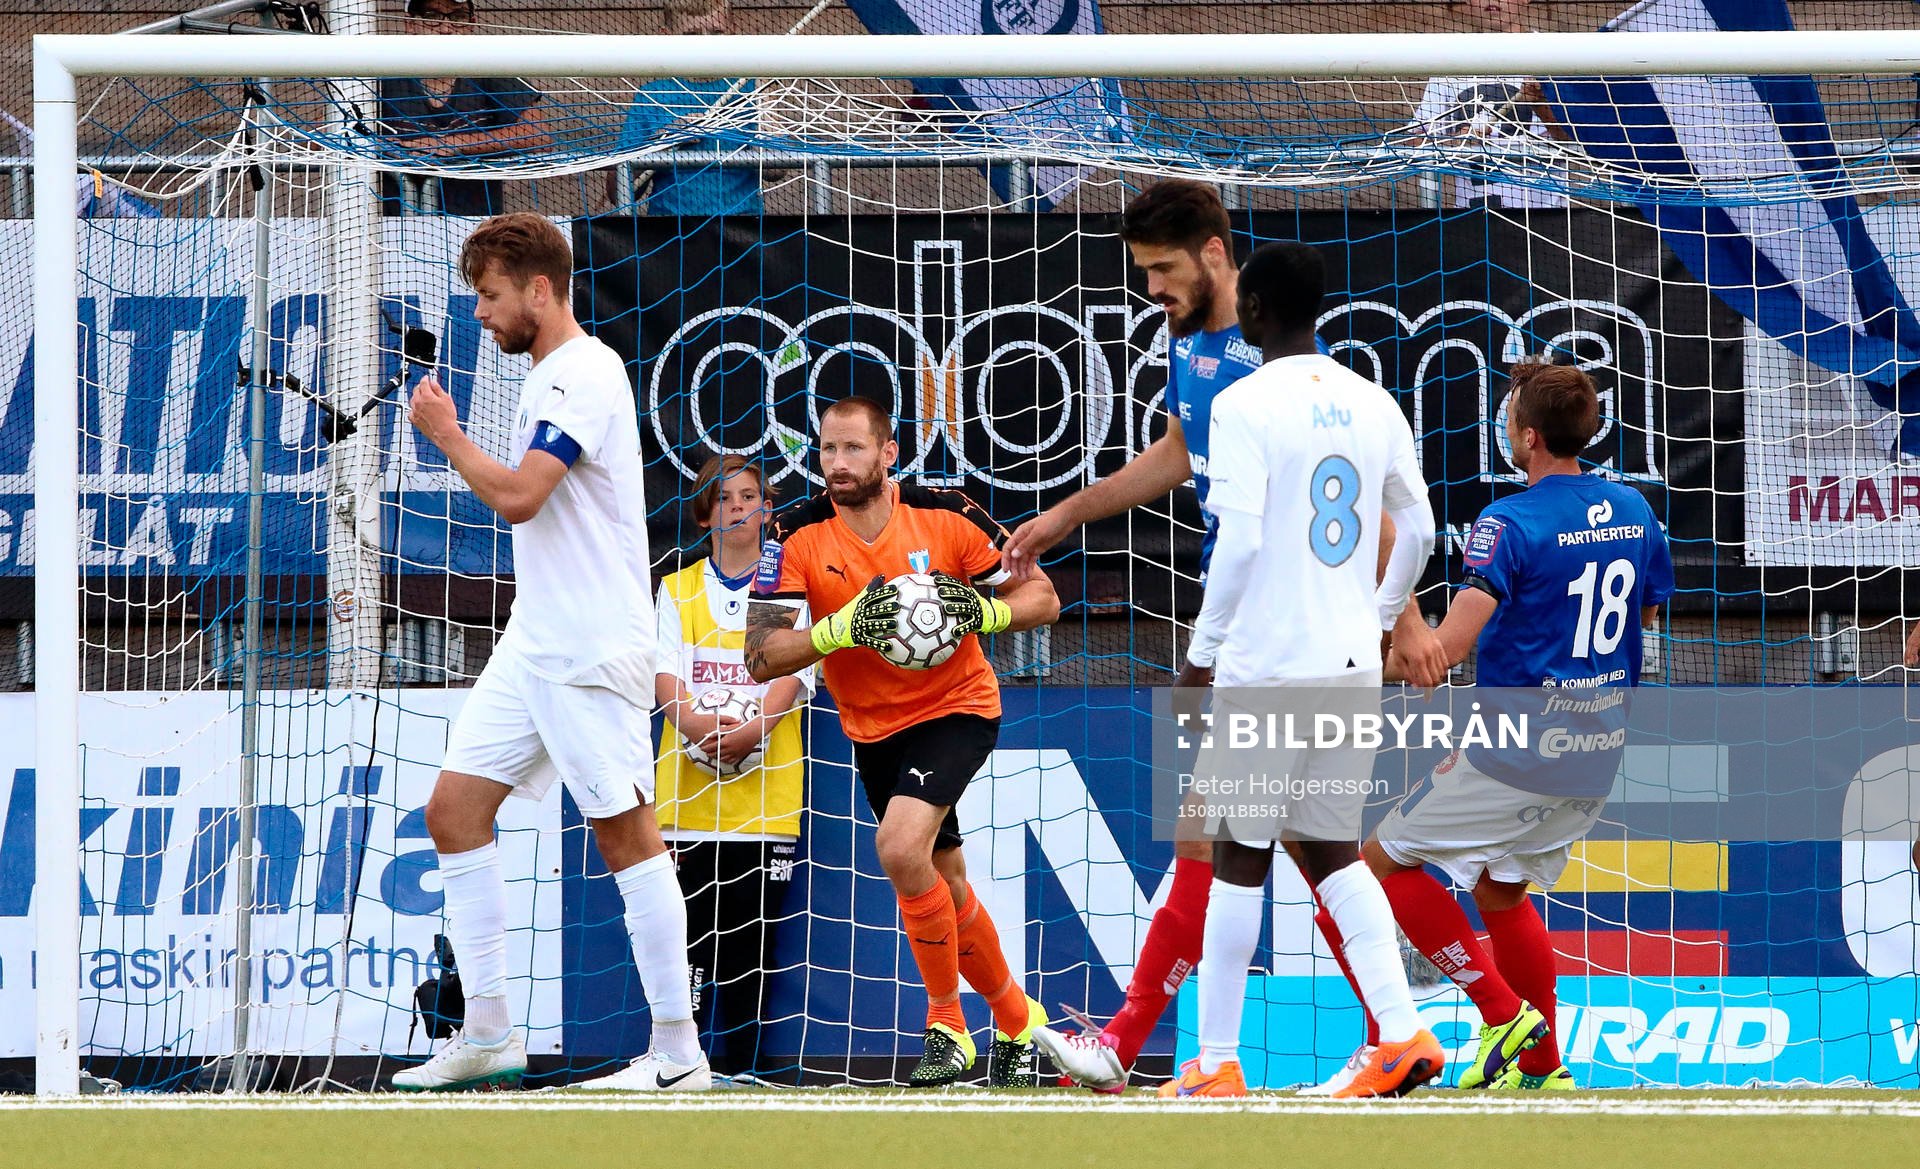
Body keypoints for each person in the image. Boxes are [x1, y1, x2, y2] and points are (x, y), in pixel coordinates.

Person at [1009, 179, 1397, 1094]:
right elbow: (1181, 450)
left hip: (1276, 638)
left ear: (1217, 254)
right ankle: (1427, 1027)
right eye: (1143, 272)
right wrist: (1069, 512)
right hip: (1275, 637)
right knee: (1302, 849)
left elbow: (1363, 503)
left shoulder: (1281, 363)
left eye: (1163, 270)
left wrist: (1403, 617)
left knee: (1231, 844)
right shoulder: (1190, 347)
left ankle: (1157, 1046)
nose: (1151, 288)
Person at [393, 213, 708, 1092]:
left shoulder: (588, 370)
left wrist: (448, 436)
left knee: (625, 835)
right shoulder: (545, 376)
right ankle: (488, 1030)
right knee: (452, 812)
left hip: (591, 646)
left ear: (540, 289)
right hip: (535, 638)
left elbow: (525, 496)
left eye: (491, 297)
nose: (482, 315)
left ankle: (680, 1054)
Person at [1156, 241, 1446, 1100]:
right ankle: (1401, 1034)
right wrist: (1382, 614)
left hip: (1269, 667)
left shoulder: (1244, 404)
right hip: (1350, 666)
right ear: (1317, 311)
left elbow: (1240, 542)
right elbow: (1423, 532)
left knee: (1237, 852)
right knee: (1329, 850)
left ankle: (1214, 1062)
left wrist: (1201, 656)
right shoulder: (1373, 399)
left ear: (1250, 312)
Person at [1364, 360, 1674, 1092]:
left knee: (1377, 866)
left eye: (1508, 418)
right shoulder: (1634, 508)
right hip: (1597, 747)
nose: (1505, 428)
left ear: (1528, 437)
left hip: (1517, 748)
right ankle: (1543, 1065)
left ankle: (1502, 1015)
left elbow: (1448, 649)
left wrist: (1360, 655)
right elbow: (1649, 610)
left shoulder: (1507, 522)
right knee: (1502, 890)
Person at [744, 397, 1061, 1087]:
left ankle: (948, 1024)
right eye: (827, 449)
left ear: (889, 453)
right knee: (943, 881)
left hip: (957, 707)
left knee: (897, 847)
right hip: (872, 727)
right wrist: (842, 628)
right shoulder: (791, 530)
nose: (837, 464)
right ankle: (1016, 1021)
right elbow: (761, 656)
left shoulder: (946, 510)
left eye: (853, 448)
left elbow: (1045, 598)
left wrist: (986, 608)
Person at [654, 454, 812, 1081]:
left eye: (751, 495)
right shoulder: (679, 588)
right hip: (686, 803)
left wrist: (754, 730)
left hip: (763, 803)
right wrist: (692, 724)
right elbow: (662, 671)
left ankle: (741, 1068)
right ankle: (680, 1062)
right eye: (725, 497)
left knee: (751, 945)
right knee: (684, 943)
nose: (739, 505)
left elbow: (787, 672)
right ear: (704, 513)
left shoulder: (780, 587)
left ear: (768, 508)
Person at [377, 0, 554, 216]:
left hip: (476, 225)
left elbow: (538, 135)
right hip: (390, 229)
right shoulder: (380, 71)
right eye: (432, 17)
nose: (445, 28)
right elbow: (329, 140)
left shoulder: (490, 67)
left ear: (471, 25)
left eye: (457, 17)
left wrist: (449, 144)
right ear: (410, 24)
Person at [1405, 0, 1571, 211]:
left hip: (1544, 217)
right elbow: (1415, 140)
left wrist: (1539, 104)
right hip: (1470, 220)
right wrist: (1456, 144)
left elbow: (1575, 139)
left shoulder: (1556, 53)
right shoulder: (1451, 59)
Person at [612, 0, 765, 217]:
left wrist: (767, 108)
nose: (704, 44)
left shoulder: (752, 88)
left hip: (743, 229)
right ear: (668, 37)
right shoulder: (653, 96)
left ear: (733, 32)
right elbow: (617, 191)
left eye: (716, 33)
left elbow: (776, 171)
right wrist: (662, 141)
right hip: (670, 231)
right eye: (691, 34)